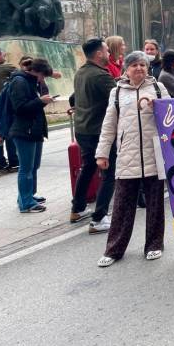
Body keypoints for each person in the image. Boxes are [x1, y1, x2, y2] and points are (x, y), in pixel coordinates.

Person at [95, 51, 171, 267]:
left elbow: (173, 114)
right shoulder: (117, 92)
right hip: (127, 154)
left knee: (155, 203)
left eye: (143, 65)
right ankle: (114, 249)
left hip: (154, 152)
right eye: (134, 65)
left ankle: (154, 245)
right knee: (122, 205)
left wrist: (155, 105)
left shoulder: (158, 88)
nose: (139, 68)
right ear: (126, 69)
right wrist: (102, 153)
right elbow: (109, 124)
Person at [70, 38, 119, 230]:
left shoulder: (81, 72)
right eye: (107, 51)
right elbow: (118, 98)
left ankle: (78, 208)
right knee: (109, 173)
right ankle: (99, 218)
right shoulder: (100, 76)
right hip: (99, 131)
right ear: (99, 54)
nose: (109, 54)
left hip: (83, 129)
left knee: (88, 167)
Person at [8, 58, 55, 213]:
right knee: (26, 168)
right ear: (36, 71)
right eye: (43, 76)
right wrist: (40, 101)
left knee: (33, 166)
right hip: (24, 130)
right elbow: (19, 108)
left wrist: (42, 99)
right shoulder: (19, 82)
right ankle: (26, 203)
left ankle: (27, 196)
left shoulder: (32, 81)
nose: (43, 79)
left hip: (34, 129)